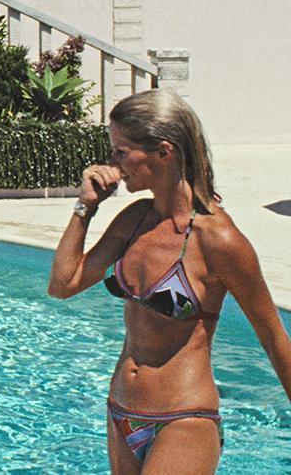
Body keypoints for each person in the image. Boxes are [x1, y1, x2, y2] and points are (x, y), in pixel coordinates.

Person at [47, 89, 291, 472]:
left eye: (122, 152)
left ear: (164, 151)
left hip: (184, 418)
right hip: (120, 412)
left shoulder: (218, 240)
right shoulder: (135, 220)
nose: (112, 163)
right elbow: (63, 285)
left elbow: (274, 339)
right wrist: (85, 207)